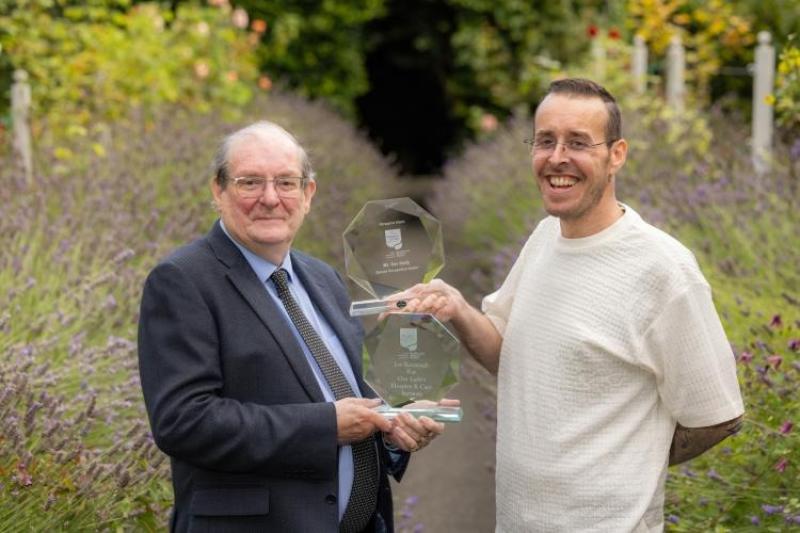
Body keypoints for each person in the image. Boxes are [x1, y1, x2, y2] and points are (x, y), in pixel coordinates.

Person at [398, 78, 744, 532]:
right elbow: (511, 357)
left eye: (578, 142)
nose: (557, 158)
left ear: (616, 154)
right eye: (545, 141)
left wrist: (635, 461)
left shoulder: (663, 270)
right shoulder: (545, 239)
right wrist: (459, 309)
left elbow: (718, 417)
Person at [138, 121, 450, 533]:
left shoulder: (322, 279)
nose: (270, 198)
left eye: (286, 183)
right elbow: (184, 421)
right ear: (218, 190)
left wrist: (393, 427)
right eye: (250, 182)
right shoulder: (183, 281)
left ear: (308, 194)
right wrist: (326, 426)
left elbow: (349, 400)